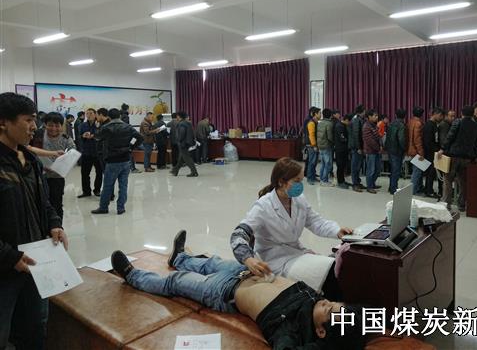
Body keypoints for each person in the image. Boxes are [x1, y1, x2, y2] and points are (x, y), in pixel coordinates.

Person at [110, 232, 365, 350]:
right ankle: (179, 257)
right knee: (210, 261)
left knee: (176, 282)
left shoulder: (291, 331)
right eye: (335, 304)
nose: (328, 303)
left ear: (321, 332)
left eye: (329, 311)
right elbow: (367, 316)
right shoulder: (317, 303)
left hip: (224, 292)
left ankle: (133, 275)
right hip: (245, 271)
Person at [0, 92, 69, 350]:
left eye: (34, 120)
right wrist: (9, 256)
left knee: (36, 326)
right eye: (28, 120)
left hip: (36, 261)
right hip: (6, 267)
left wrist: (54, 223)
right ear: (3, 122)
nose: (34, 127)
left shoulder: (31, 160)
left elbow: (44, 202)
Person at [230, 157, 353, 300]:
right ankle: (341, 306)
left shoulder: (299, 200)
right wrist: (248, 259)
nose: (300, 185)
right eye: (296, 181)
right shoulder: (263, 206)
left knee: (338, 267)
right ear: (281, 182)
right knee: (330, 270)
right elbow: (237, 235)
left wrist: (337, 231)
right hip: (276, 261)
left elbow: (315, 222)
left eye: (301, 180)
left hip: (296, 252)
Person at [91, 108, 143, 215]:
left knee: (107, 186)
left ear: (109, 117)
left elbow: (97, 137)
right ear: (119, 116)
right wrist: (131, 147)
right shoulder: (128, 127)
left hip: (112, 160)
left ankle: (103, 207)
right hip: (126, 160)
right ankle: (121, 208)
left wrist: (97, 127)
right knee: (123, 186)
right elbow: (140, 138)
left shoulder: (106, 127)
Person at [31, 112, 76, 223]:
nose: (53, 128)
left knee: (56, 204)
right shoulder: (37, 135)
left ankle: (57, 226)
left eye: (57, 125)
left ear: (61, 126)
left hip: (56, 177)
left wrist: (63, 164)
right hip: (38, 176)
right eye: (50, 125)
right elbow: (29, 150)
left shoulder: (66, 139)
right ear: (45, 124)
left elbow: (73, 154)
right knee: (39, 203)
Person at [438, 105, 477, 212]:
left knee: (448, 180)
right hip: (467, 157)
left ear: (461, 113)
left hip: (454, 155)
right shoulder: (476, 125)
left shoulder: (457, 122)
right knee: (463, 181)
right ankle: (462, 204)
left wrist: (442, 149)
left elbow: (450, 136)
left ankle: (446, 204)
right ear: (472, 114)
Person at [78, 108, 103, 197]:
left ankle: (97, 190)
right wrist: (83, 136)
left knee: (99, 172)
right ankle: (86, 191)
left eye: (91, 113)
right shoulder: (83, 125)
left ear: (95, 114)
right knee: (84, 173)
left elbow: (102, 136)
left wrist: (94, 135)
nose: (89, 115)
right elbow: (80, 136)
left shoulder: (99, 124)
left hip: (98, 152)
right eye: (87, 113)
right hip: (86, 152)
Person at [422, 107, 445, 198]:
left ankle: (429, 190)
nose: (441, 118)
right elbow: (427, 142)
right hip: (430, 152)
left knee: (432, 172)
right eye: (440, 116)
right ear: (435, 114)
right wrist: (436, 150)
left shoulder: (434, 124)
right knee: (430, 173)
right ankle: (429, 191)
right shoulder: (429, 125)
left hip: (433, 152)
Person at [385, 109, 407, 195]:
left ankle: (391, 186)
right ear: (404, 116)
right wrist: (404, 148)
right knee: (396, 170)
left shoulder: (391, 124)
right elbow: (401, 139)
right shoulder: (401, 125)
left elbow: (387, 137)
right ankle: (393, 188)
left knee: (393, 169)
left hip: (390, 149)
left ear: (395, 115)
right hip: (397, 150)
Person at [171, 112, 198, 177]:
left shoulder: (181, 124)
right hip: (188, 142)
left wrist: (179, 140)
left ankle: (194, 172)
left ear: (179, 116)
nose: (176, 117)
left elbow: (182, 133)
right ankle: (175, 170)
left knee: (187, 158)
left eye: (177, 116)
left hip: (183, 143)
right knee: (181, 158)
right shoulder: (188, 123)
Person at [407, 106, 425, 195]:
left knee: (417, 171)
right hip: (416, 151)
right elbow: (417, 140)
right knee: (417, 172)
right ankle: (413, 191)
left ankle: (417, 188)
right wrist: (421, 153)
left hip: (411, 149)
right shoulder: (418, 123)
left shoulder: (410, 122)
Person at [362, 109, 381, 194]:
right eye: (375, 116)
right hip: (370, 151)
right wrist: (378, 148)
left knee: (377, 169)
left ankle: (372, 183)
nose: (377, 117)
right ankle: (369, 187)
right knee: (371, 170)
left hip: (376, 151)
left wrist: (380, 146)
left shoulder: (374, 125)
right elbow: (370, 141)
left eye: (377, 115)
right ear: (369, 117)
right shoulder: (366, 126)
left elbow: (378, 137)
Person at [349, 105, 366, 192]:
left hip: (359, 146)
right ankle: (355, 184)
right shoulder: (356, 120)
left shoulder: (360, 119)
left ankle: (357, 182)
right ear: (361, 111)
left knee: (358, 165)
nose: (365, 112)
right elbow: (356, 134)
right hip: (356, 147)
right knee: (355, 166)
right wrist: (359, 147)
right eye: (364, 111)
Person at [316, 108, 334, 187]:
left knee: (323, 163)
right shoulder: (329, 124)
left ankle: (322, 179)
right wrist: (333, 142)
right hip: (326, 146)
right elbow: (330, 137)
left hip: (320, 145)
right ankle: (324, 180)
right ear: (330, 115)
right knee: (328, 164)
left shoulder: (320, 122)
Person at [334, 114, 352, 189]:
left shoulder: (343, 125)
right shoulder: (339, 126)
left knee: (343, 165)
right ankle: (340, 182)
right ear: (346, 120)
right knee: (340, 166)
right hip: (340, 149)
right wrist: (349, 141)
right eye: (349, 122)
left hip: (344, 149)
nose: (350, 123)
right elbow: (342, 138)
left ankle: (343, 180)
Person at [305, 107, 321, 185]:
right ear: (315, 114)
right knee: (311, 162)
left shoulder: (316, 122)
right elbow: (311, 135)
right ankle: (309, 178)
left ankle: (313, 176)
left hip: (314, 145)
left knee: (314, 162)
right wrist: (314, 145)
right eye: (320, 113)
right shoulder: (311, 123)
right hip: (311, 145)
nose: (321, 115)